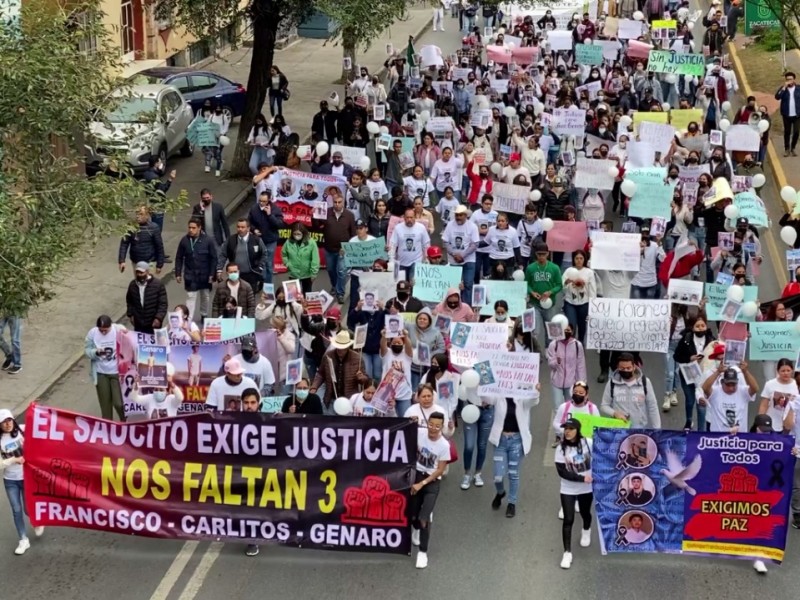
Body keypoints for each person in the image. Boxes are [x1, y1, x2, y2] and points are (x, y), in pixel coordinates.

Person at [485, 384, 541, 519]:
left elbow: (533, 401)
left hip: (516, 441)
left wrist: (536, 391)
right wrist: (483, 384)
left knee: (513, 473)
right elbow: (487, 398)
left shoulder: (522, 397)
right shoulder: (499, 395)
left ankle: (512, 503)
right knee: (498, 476)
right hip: (501, 441)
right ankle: (500, 492)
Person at [0, 409, 44, 555]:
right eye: (3, 422)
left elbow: (40, 428)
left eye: (9, 420)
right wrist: (13, 460)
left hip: (26, 477)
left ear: (13, 420)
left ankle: (36, 521)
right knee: (16, 510)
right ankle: (23, 539)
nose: (7, 424)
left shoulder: (23, 430)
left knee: (27, 508)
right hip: (10, 481)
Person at [410, 410, 450, 570]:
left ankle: (422, 553)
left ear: (442, 427)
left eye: (437, 426)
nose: (433, 429)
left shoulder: (444, 445)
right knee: (412, 515)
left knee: (424, 517)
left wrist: (423, 483)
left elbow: (440, 470)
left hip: (431, 481)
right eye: (431, 424)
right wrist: (410, 421)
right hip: (415, 476)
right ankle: (416, 530)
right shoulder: (419, 433)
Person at [555, 417, 593, 570]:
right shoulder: (560, 449)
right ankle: (567, 553)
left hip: (586, 488)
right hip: (568, 488)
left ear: (577, 430)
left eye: (570, 429)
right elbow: (562, 472)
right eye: (565, 429)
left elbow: (604, 453)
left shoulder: (588, 443)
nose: (567, 432)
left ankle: (586, 530)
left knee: (585, 513)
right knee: (568, 519)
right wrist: (582, 477)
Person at [547, 322, 587, 444]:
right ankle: (559, 435)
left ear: (573, 331)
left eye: (569, 330)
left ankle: (573, 433)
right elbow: (550, 364)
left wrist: (582, 383)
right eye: (564, 330)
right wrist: (556, 362)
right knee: (558, 408)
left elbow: (581, 365)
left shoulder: (577, 345)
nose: (566, 332)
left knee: (572, 409)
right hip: (556, 382)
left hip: (572, 383)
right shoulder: (553, 344)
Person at [674, 315, 716, 431]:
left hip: (704, 375)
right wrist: (689, 358)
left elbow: (717, 356)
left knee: (701, 402)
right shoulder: (686, 339)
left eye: (703, 326)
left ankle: (701, 431)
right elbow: (676, 356)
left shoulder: (711, 340)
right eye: (697, 326)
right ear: (692, 328)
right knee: (690, 399)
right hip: (688, 374)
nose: (701, 328)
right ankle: (688, 421)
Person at [310, 330, 368, 413]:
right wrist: (314, 387)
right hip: (331, 399)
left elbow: (365, 380)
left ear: (348, 347)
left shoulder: (357, 358)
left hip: (349, 401)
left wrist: (361, 378)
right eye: (339, 347)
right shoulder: (328, 356)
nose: (340, 350)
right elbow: (320, 374)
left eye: (343, 348)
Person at [175, 217, 220, 322]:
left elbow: (214, 258)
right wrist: (178, 273)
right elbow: (179, 258)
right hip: (190, 275)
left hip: (205, 275)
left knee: (205, 296)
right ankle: (188, 319)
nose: (191, 230)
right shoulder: (184, 240)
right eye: (189, 227)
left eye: (193, 228)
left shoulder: (208, 240)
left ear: (199, 228)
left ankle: (204, 314)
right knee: (190, 298)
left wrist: (212, 274)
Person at [600, 352, 661, 429]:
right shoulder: (611, 383)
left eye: (628, 368)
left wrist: (657, 430)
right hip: (618, 429)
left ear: (634, 367)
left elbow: (653, 407)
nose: (625, 370)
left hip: (640, 428)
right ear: (617, 367)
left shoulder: (645, 382)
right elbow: (604, 406)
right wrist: (614, 413)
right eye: (622, 368)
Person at [84, 315, 127, 421]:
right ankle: (107, 427)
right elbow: (87, 350)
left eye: (105, 330)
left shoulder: (118, 330)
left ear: (110, 326)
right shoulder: (93, 333)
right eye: (101, 330)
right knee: (105, 405)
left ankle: (124, 419)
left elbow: (130, 341)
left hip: (116, 372)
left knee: (119, 403)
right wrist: (96, 352)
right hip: (101, 372)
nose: (103, 332)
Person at [319, 193, 356, 303]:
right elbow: (317, 226)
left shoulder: (349, 215)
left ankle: (340, 293)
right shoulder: (327, 212)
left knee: (341, 271)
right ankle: (335, 286)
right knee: (330, 270)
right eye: (335, 202)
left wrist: (348, 247)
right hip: (329, 248)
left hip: (342, 250)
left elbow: (353, 233)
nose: (337, 204)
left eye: (339, 202)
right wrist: (314, 216)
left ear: (343, 202)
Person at [701, 364, 758, 433]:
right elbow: (705, 388)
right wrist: (718, 372)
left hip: (740, 437)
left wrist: (745, 372)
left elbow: (755, 388)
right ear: (722, 382)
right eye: (728, 385)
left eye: (733, 384)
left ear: (737, 382)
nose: (731, 388)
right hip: (718, 437)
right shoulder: (715, 392)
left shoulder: (743, 391)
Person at [525, 243, 563, 346]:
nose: (541, 257)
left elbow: (559, 285)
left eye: (544, 254)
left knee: (551, 329)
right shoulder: (530, 268)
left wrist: (550, 292)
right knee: (534, 329)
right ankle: (535, 351)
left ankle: (549, 350)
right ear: (536, 254)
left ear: (548, 254)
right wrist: (532, 292)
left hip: (549, 303)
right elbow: (526, 284)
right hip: (534, 303)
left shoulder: (554, 268)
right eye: (539, 254)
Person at [248, 190, 286, 286]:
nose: (261, 203)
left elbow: (280, 225)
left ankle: (267, 286)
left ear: (269, 200)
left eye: (264, 201)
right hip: (257, 241)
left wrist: (270, 215)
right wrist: (254, 230)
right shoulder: (254, 208)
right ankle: (260, 281)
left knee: (268, 264)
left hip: (270, 241)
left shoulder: (275, 209)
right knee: (257, 263)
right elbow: (249, 222)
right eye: (260, 200)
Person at [221, 218, 267, 293]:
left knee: (251, 298)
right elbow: (223, 254)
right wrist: (219, 269)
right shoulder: (230, 240)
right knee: (236, 297)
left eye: (242, 227)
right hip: (236, 275)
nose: (240, 229)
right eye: (238, 227)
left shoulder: (256, 240)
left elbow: (264, 253)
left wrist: (260, 267)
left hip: (252, 274)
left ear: (248, 228)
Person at [118, 206, 166, 274]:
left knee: (149, 282)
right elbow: (124, 243)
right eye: (137, 214)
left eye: (141, 214)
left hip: (150, 262)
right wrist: (121, 261)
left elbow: (159, 246)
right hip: (136, 262)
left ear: (147, 215)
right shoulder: (131, 227)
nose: (138, 216)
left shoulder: (154, 228)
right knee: (138, 282)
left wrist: (159, 265)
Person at [125, 261, 168, 334]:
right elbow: (129, 301)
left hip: (153, 324)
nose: (139, 275)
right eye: (137, 272)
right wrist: (131, 315)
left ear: (147, 272)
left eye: (142, 273)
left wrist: (158, 318)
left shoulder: (158, 284)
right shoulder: (132, 285)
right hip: (138, 324)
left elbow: (163, 304)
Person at [381, 325, 414, 418]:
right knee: (389, 422)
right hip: (387, 394)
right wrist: (384, 336)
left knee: (405, 419)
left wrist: (406, 336)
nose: (397, 344)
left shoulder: (407, 355)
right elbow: (382, 346)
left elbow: (409, 346)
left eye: (399, 342)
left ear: (403, 344)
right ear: (390, 343)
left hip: (404, 395)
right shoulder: (387, 353)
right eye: (394, 342)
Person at [391, 207, 431, 281]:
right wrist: (391, 260)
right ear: (404, 217)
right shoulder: (398, 228)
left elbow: (426, 244)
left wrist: (426, 259)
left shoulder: (421, 228)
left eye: (411, 217)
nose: (409, 220)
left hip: (416, 262)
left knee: (414, 285)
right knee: (403, 286)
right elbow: (393, 245)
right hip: (401, 263)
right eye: (407, 217)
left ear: (415, 217)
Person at [758, 358, 799, 429]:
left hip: (790, 425)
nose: (786, 373)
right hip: (771, 424)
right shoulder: (770, 384)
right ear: (778, 371)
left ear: (792, 371)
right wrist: (759, 423)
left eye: (788, 370)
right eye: (783, 371)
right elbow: (763, 405)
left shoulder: (795, 384)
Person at [282, 223, 320, 295]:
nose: (297, 236)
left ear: (303, 233)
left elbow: (315, 259)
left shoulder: (311, 243)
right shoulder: (288, 242)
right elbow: (284, 254)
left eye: (299, 234)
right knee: (293, 296)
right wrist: (287, 264)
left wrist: (314, 273)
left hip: (307, 274)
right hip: (293, 273)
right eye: (295, 234)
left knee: (307, 295)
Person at [775, 71, 800, 157]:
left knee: (796, 132)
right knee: (787, 132)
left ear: (794, 79)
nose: (789, 81)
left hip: (797, 114)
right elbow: (777, 97)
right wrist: (783, 88)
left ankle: (793, 147)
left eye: (791, 79)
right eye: (787, 79)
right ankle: (787, 149)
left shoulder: (798, 88)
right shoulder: (783, 89)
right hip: (786, 114)